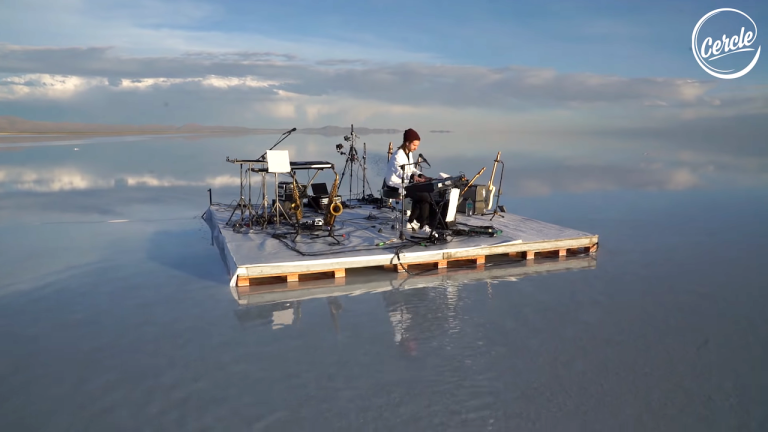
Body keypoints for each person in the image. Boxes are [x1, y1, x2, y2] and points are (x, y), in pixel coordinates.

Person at [385, 128, 434, 232]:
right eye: (414, 145)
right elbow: (398, 172)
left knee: (423, 195)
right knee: (424, 197)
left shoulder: (408, 153)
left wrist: (421, 175)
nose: (416, 148)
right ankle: (423, 226)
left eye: (417, 146)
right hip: (394, 185)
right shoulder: (397, 155)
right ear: (407, 143)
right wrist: (412, 177)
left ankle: (411, 222)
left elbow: (411, 169)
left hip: (404, 183)